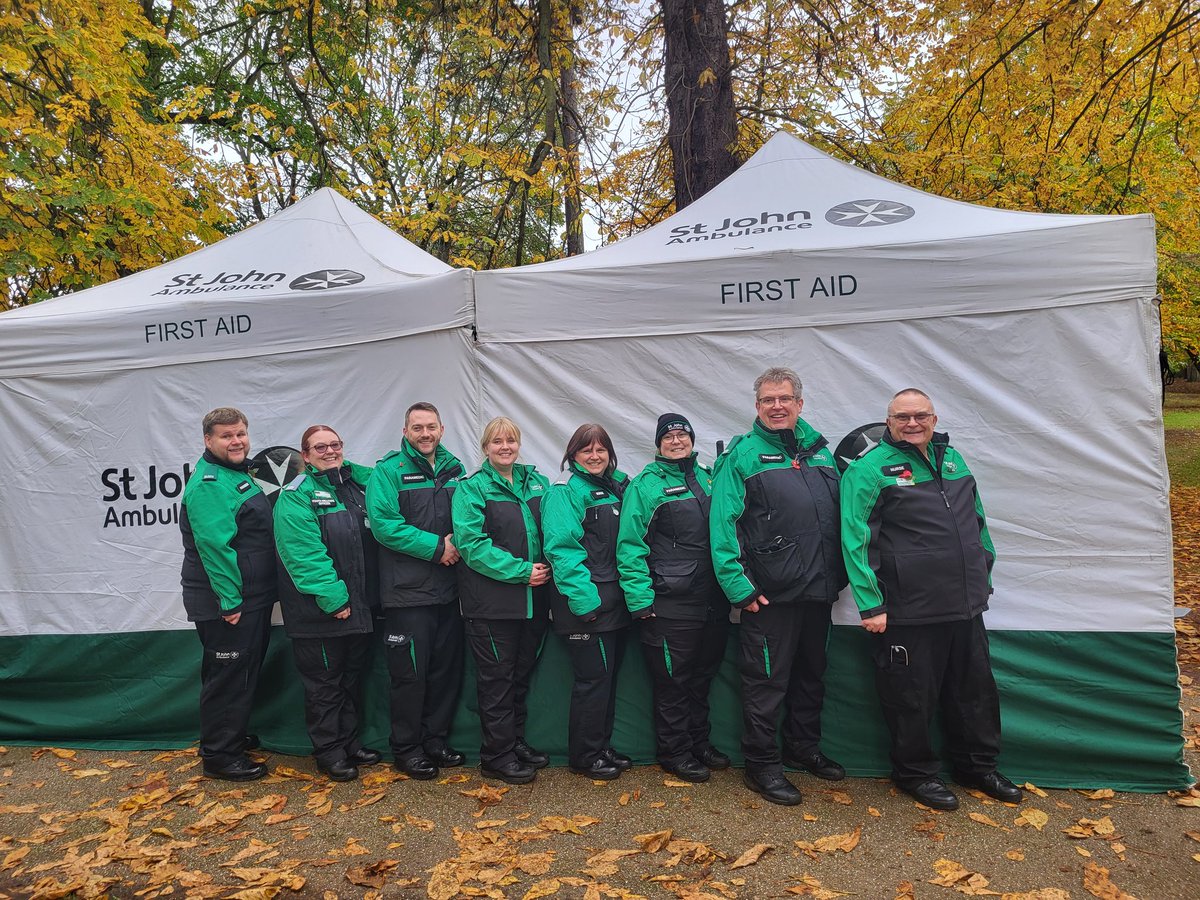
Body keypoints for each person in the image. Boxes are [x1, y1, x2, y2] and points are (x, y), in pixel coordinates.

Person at [840, 388, 1021, 811]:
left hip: (965, 603)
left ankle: (976, 767)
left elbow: (977, 523)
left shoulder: (953, 460)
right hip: (907, 610)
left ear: (934, 419)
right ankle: (916, 773)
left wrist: (983, 574)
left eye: (920, 415)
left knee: (975, 692)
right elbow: (856, 539)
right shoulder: (870, 470)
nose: (912, 423)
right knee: (911, 697)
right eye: (902, 417)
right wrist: (872, 604)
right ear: (889, 422)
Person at [710, 367, 847, 806]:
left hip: (819, 592)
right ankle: (762, 765)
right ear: (757, 407)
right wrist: (740, 587)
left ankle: (803, 747)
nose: (776, 406)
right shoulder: (743, 456)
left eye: (784, 398)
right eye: (768, 400)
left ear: (799, 404)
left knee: (811, 678)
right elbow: (723, 525)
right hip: (769, 598)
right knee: (766, 684)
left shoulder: (821, 452)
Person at [617, 413, 731, 783]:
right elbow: (630, 547)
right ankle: (675, 752)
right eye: (669, 436)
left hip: (713, 600)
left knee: (702, 679)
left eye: (683, 434)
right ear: (658, 444)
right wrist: (640, 600)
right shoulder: (646, 486)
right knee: (673, 683)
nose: (677, 441)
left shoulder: (711, 477)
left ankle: (699, 743)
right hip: (669, 604)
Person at [274, 425, 383, 782]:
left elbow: (385, 477)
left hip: (359, 608)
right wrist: (333, 598)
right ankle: (330, 751)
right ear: (305, 455)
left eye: (335, 445)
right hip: (320, 612)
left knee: (351, 679)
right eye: (320, 447)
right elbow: (303, 554)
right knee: (325, 686)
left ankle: (350, 743)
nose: (329, 451)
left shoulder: (356, 486)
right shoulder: (296, 495)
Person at [366, 402, 467, 780]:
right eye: (417, 428)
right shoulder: (388, 472)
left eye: (431, 427)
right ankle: (407, 749)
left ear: (441, 429)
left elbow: (468, 517)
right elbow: (384, 526)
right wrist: (438, 548)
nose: (425, 434)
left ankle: (435, 741)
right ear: (406, 431)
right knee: (409, 675)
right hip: (407, 594)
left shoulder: (456, 470)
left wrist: (460, 539)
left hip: (451, 592)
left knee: (444, 672)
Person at [451, 417, 552, 784]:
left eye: (510, 440)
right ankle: (496, 755)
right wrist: (521, 571)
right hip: (492, 604)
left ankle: (514, 742)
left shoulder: (536, 482)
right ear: (485, 447)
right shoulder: (472, 489)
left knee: (519, 677)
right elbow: (471, 544)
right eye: (497, 441)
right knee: (497, 681)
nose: (505, 446)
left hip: (534, 602)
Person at [180, 407, 276, 781]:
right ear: (208, 440)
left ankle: (225, 734)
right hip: (228, 601)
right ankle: (220, 757)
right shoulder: (208, 484)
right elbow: (214, 547)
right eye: (226, 436)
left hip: (252, 595)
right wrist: (229, 600)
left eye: (240, 433)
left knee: (239, 671)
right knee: (228, 674)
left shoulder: (237, 473)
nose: (236, 441)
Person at [542, 424, 633, 781]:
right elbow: (561, 550)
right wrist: (584, 603)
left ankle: (601, 746)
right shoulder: (565, 493)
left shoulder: (617, 489)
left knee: (607, 679)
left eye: (601, 450)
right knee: (592, 681)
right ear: (572, 455)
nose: (594, 456)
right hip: (585, 607)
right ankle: (584, 755)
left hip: (615, 604)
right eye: (586, 450)